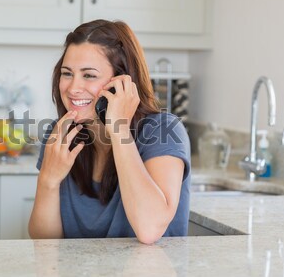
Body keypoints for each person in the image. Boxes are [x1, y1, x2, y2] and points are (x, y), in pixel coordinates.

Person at [28, 19, 190, 244]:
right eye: (67, 73)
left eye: (89, 75)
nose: (73, 88)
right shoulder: (61, 134)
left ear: (122, 82)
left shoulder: (163, 130)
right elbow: (44, 241)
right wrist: (48, 179)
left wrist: (119, 129)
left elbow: (149, 229)